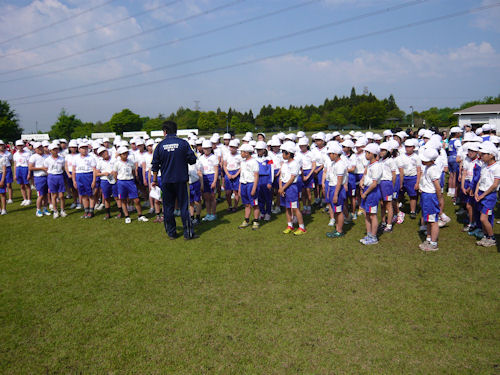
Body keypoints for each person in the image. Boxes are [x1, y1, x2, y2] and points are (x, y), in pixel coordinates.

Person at [151, 120, 198, 240]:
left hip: (166, 180)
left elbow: (155, 165)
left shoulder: (160, 145)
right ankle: (188, 233)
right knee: (183, 207)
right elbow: (192, 160)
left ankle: (171, 233)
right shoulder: (183, 143)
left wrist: (155, 180)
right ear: (176, 131)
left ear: (165, 131)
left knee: (168, 208)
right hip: (181, 180)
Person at [113, 146, 149, 224]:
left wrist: (132, 178)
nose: (125, 155)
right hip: (121, 182)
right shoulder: (117, 163)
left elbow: (133, 171)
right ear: (120, 155)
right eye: (123, 154)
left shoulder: (130, 162)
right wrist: (118, 181)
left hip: (130, 181)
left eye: (126, 154)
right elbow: (115, 174)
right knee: (123, 200)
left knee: (136, 199)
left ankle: (140, 215)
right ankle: (127, 216)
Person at [474, 141, 500, 247]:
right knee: (483, 216)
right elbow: (480, 179)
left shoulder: (497, 167)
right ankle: (486, 236)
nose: (481, 156)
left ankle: (491, 237)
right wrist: (476, 192)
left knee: (483, 218)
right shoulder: (484, 165)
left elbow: (494, 185)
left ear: (491, 155)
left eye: (483, 154)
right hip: (481, 193)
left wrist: (483, 195)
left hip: (489, 196)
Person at [418, 148, 443, 251]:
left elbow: (437, 186)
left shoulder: (433, 170)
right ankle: (428, 238)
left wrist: (439, 199)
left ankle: (433, 243)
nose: (423, 161)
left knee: (433, 221)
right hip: (425, 195)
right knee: (428, 219)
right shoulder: (428, 167)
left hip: (430, 196)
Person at [279, 141, 306, 235]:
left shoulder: (295, 164)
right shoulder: (284, 164)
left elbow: (292, 178)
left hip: (291, 188)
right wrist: (280, 187)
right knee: (287, 207)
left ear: (289, 154)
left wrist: (283, 188)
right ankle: (290, 225)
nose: (282, 154)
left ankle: (301, 227)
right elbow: (281, 177)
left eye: (283, 152)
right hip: (283, 187)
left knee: (295, 208)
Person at [359, 143, 382, 245]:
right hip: (367, 190)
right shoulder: (369, 165)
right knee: (367, 214)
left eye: (367, 152)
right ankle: (369, 234)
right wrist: (361, 181)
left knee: (372, 215)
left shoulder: (377, 166)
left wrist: (365, 193)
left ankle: (373, 236)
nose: (365, 154)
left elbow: (374, 183)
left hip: (372, 192)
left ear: (373, 154)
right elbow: (365, 175)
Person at [325, 143, 347, 238]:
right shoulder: (334, 164)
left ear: (336, 154)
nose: (329, 156)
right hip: (332, 187)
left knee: (338, 210)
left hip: (337, 189)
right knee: (335, 210)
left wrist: (335, 194)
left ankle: (339, 230)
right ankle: (337, 228)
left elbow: (339, 181)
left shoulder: (340, 165)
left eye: (331, 154)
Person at [238, 144, 261, 230]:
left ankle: (256, 221)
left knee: (254, 204)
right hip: (244, 184)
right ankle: (246, 220)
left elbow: (256, 176)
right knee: (246, 204)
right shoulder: (243, 162)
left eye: (242, 152)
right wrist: (240, 187)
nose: (241, 153)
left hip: (251, 184)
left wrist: (254, 188)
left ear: (247, 153)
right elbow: (242, 175)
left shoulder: (254, 162)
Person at [44, 143, 67, 218]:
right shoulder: (47, 160)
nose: (55, 151)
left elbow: (63, 168)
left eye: (56, 149)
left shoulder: (62, 159)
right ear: (50, 151)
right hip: (51, 177)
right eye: (54, 150)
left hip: (60, 176)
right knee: (54, 195)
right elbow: (46, 169)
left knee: (61, 196)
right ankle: (55, 211)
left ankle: (63, 210)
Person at [199, 140, 219, 222]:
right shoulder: (200, 158)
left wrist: (214, 181)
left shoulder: (214, 157)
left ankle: (213, 214)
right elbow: (199, 170)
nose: (206, 150)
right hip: (204, 177)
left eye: (208, 148)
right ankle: (208, 213)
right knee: (206, 197)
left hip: (211, 177)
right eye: (204, 149)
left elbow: (216, 170)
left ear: (211, 148)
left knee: (212, 197)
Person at [28, 142, 50, 217]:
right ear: (35, 149)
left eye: (41, 147)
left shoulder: (46, 156)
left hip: (47, 176)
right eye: (38, 148)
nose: (40, 149)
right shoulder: (33, 157)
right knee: (40, 195)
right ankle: (38, 210)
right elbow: (30, 167)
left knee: (46, 194)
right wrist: (41, 168)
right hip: (39, 177)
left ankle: (45, 208)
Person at [223, 139, 241, 212]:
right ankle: (229, 205)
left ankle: (235, 206)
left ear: (237, 148)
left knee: (236, 191)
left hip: (236, 172)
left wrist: (236, 175)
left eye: (234, 147)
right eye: (231, 147)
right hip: (228, 172)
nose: (232, 149)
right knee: (228, 192)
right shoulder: (226, 155)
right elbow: (224, 165)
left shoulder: (239, 156)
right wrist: (228, 174)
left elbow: (241, 167)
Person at [13, 140, 32, 206]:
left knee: (27, 184)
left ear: (23, 146)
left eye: (21, 145)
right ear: (16, 146)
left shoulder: (27, 153)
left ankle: (29, 199)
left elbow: (29, 164)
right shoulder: (15, 154)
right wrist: (15, 174)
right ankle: (25, 199)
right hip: (18, 169)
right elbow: (15, 164)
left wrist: (29, 173)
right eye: (18, 146)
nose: (20, 147)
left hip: (25, 168)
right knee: (21, 185)